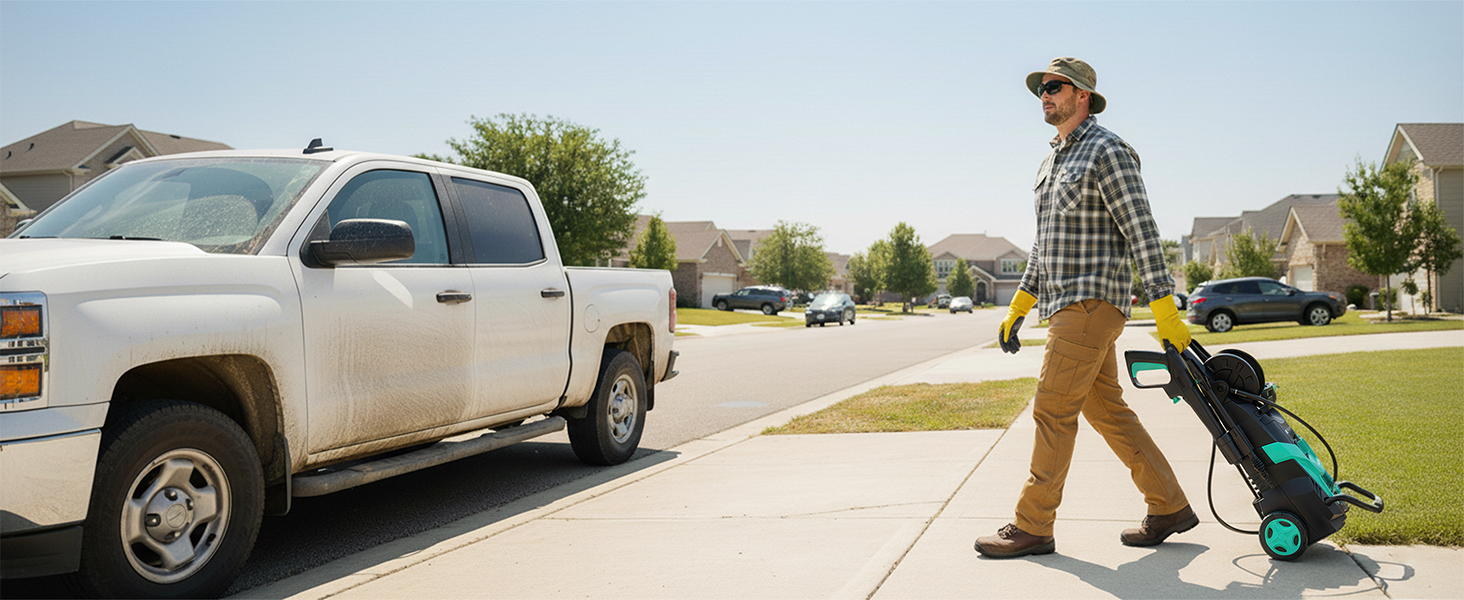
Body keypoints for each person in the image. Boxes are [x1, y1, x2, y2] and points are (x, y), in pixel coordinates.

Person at [974, 57, 1197, 558]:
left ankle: (1033, 525)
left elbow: (1141, 231)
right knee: (1107, 411)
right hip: (1065, 303)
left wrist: (1165, 308)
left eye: (1054, 87)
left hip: (1091, 302)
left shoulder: (1108, 151)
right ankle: (1168, 505)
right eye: (1040, 89)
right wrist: (1018, 305)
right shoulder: (1052, 160)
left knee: (1052, 410)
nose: (1044, 95)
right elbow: (1043, 244)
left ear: (1082, 95)